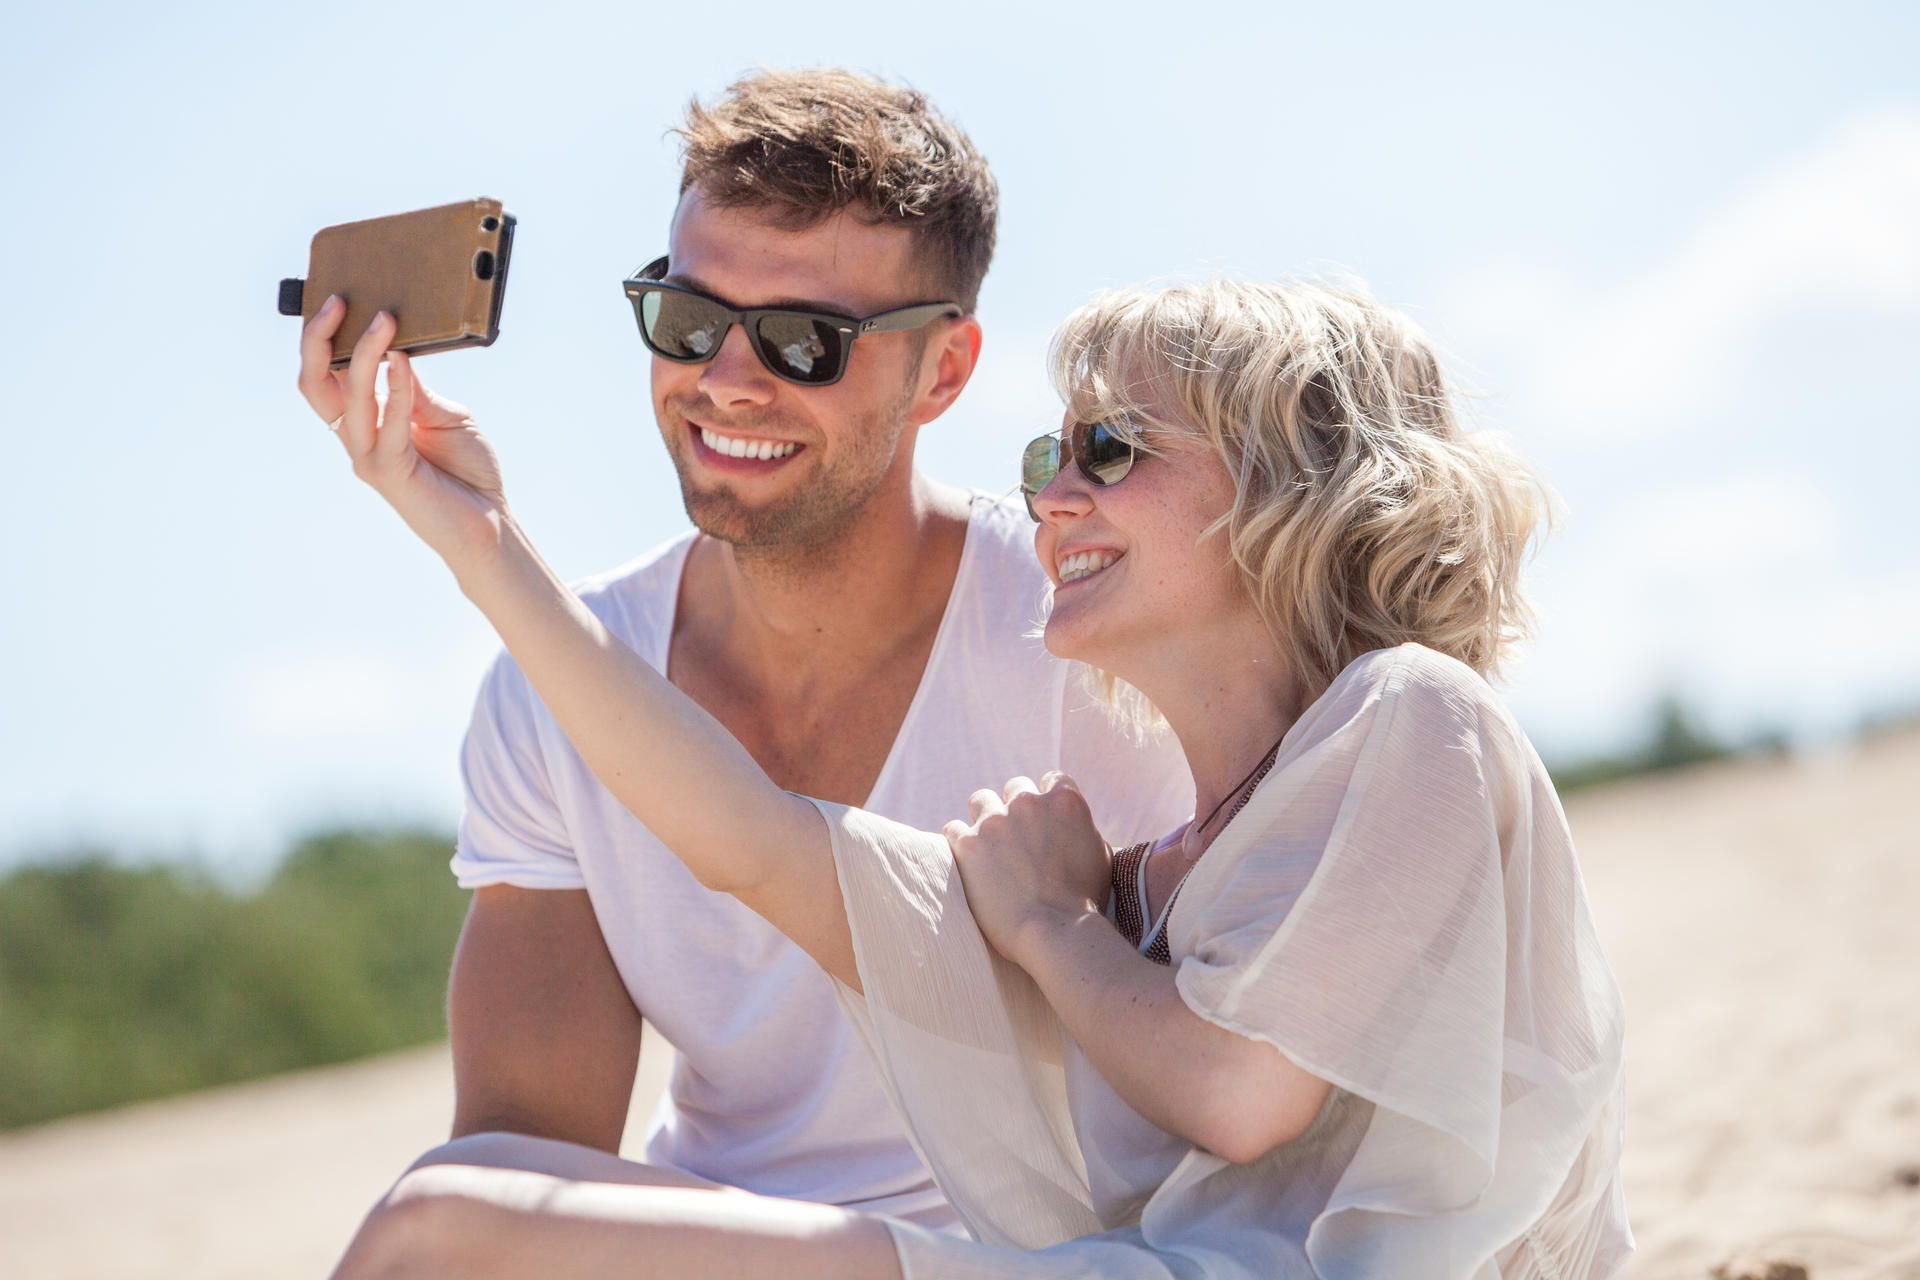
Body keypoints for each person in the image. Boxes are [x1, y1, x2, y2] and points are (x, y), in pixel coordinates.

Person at [319, 277, 1631, 1279]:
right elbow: (755, 844)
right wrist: (476, 539)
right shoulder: (1138, 884)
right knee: (469, 1180)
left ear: (1295, 485)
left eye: (1110, 449)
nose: (1053, 499)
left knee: (449, 1227)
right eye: (1043, 459)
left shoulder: (1412, 716)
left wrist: (1054, 930)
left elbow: (1240, 1093)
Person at [297, 68, 1191, 1232]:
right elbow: (529, 1147)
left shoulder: (1091, 634)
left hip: (1039, 1246)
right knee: (448, 1211)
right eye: (688, 319)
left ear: (947, 371)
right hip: (716, 1236)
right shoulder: (550, 691)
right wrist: (472, 531)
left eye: (804, 342)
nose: (725, 381)